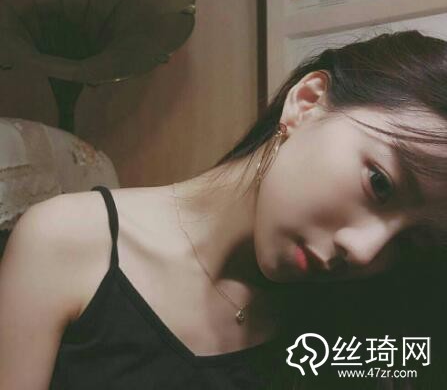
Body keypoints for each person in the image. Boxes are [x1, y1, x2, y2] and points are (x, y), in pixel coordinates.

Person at [0, 29, 446, 389]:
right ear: (307, 103)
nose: (365, 251)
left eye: (410, 240)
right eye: (380, 183)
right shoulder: (66, 241)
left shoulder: (358, 327)